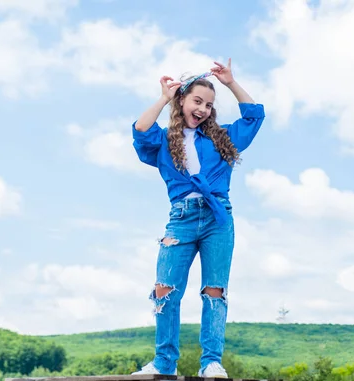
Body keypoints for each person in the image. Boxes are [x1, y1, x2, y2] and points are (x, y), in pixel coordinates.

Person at [130, 58, 265, 378]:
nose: (203, 108)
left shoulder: (221, 138)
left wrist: (231, 82)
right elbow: (141, 130)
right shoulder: (164, 140)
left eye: (208, 104)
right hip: (181, 218)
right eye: (197, 101)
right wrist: (164, 97)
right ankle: (164, 362)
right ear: (182, 102)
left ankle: (211, 362)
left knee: (214, 290)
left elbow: (254, 115)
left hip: (218, 218)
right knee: (165, 288)